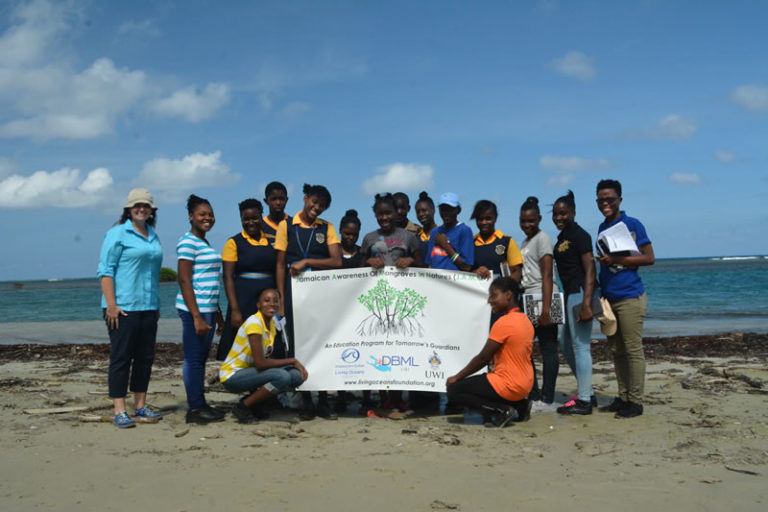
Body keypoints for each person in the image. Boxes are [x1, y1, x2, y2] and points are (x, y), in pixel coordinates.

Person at [274, 183, 342, 420]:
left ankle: (323, 400)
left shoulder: (328, 228)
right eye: (314, 202)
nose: (317, 208)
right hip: (293, 294)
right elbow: (280, 265)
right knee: (298, 347)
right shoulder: (286, 226)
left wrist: (307, 262)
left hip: (321, 296)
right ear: (305, 199)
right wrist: (281, 300)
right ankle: (306, 402)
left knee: (322, 346)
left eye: (322, 206)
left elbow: (336, 262)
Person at [97, 188, 164, 428]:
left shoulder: (152, 234)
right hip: (122, 308)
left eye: (146, 205)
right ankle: (119, 410)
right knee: (121, 358)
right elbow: (105, 271)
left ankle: (141, 406)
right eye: (137, 205)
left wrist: (155, 304)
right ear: (129, 209)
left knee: (145, 358)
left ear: (151, 210)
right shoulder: (117, 233)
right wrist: (111, 305)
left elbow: (152, 274)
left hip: (148, 306)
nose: (141, 209)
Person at [595, 179, 655, 418]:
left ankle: (636, 402)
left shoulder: (632, 224)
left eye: (610, 199)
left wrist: (616, 260)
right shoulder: (602, 227)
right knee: (617, 350)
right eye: (601, 200)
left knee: (633, 350)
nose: (605, 204)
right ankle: (623, 397)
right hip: (610, 299)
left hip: (630, 296)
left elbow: (649, 258)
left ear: (620, 199)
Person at [360, 193, 422, 411]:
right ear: (375, 215)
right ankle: (381, 395)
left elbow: (422, 265)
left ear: (397, 213)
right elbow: (357, 269)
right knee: (377, 348)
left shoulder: (409, 237)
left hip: (401, 303)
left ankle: (397, 397)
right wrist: (367, 260)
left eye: (388, 213)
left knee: (399, 349)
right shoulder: (368, 238)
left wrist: (411, 260)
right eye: (380, 214)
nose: (384, 217)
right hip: (376, 302)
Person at [446, 276, 534, 427]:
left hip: (508, 384)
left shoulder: (504, 322)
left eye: (494, 295)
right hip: (525, 385)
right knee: (484, 383)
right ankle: (521, 405)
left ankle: (500, 410)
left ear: (508, 295)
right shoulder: (526, 320)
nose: (489, 301)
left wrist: (457, 377)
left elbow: (483, 358)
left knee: (455, 390)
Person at [220, 289, 309, 423]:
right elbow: (261, 363)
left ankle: (256, 403)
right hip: (232, 376)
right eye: (267, 301)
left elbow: (266, 360)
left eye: (276, 300)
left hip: (250, 372)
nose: (272, 304)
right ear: (259, 305)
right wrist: (292, 361)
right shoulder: (254, 324)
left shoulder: (271, 323)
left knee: (296, 376)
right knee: (282, 376)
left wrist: (291, 364)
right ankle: (243, 407)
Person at [176, 194, 226, 424]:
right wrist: (196, 316)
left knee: (201, 360)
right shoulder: (187, 242)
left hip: (207, 309)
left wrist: (217, 313)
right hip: (194, 311)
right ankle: (195, 409)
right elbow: (185, 281)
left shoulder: (204, 242)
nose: (208, 218)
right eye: (202, 214)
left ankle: (201, 403)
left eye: (210, 214)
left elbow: (209, 281)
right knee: (194, 360)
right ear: (191, 217)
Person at [552, 190, 597, 415]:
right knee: (565, 343)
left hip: (581, 293)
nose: (559, 217)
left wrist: (587, 303)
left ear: (573, 213)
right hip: (570, 294)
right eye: (556, 214)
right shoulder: (562, 237)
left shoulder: (581, 235)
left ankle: (585, 401)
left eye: (563, 213)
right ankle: (586, 390)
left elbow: (590, 269)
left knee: (581, 346)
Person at [216, 198, 277, 361]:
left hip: (268, 300)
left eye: (255, 218)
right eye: (246, 219)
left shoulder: (273, 240)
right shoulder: (233, 242)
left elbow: (279, 271)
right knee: (241, 343)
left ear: (261, 216)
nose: (251, 222)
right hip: (243, 300)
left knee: (268, 341)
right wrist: (235, 309)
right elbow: (228, 277)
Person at [519, 196, 560, 410]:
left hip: (545, 297)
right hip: (528, 297)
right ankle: (534, 393)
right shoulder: (526, 242)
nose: (527, 225)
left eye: (531, 221)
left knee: (548, 348)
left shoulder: (543, 239)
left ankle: (548, 397)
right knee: (525, 348)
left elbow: (547, 274)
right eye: (523, 221)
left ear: (539, 219)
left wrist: (546, 309)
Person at [471, 199, 523, 281]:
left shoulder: (507, 241)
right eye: (480, 219)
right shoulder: (471, 243)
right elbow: (464, 270)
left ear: (495, 218)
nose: (484, 222)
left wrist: (504, 287)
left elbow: (517, 272)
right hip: (475, 292)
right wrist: (475, 272)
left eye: (488, 218)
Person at [426, 192, 474, 271]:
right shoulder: (435, 232)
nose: (446, 212)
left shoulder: (464, 231)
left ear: (458, 210)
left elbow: (466, 267)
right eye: (443, 209)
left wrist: (445, 245)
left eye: (450, 209)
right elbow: (430, 264)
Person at [262, 182, 290, 246]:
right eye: (273, 199)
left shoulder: (294, 225)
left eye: (281, 199)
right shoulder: (260, 227)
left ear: (286, 200)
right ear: (266, 201)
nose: (278, 203)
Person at [414, 191, 437, 265]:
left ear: (433, 210)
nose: (421, 214)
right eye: (418, 212)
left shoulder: (442, 234)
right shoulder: (415, 237)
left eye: (424, 210)